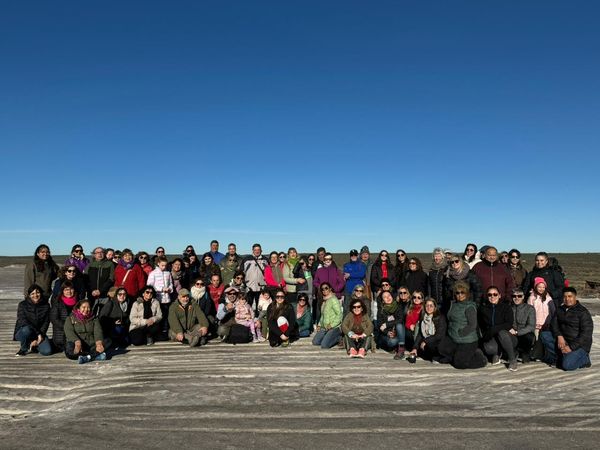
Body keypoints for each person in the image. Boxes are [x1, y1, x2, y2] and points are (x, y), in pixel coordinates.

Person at [437, 281, 487, 369]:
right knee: (441, 347)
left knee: (459, 364)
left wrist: (461, 333)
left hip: (467, 340)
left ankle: (480, 358)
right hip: (453, 338)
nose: (460, 295)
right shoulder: (453, 304)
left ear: (467, 293)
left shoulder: (469, 307)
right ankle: (456, 356)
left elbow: (472, 325)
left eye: (462, 292)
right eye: (457, 293)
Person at [541, 287, 593, 371]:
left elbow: (586, 334)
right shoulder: (560, 309)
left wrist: (571, 347)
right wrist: (559, 336)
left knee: (567, 366)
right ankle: (558, 357)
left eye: (570, 296)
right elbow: (553, 324)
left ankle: (585, 359)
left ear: (575, 297)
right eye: (565, 296)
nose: (567, 299)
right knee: (545, 335)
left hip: (579, 345)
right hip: (564, 340)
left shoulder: (583, 312)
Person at [479, 286, 517, 371]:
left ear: (499, 295)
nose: (492, 296)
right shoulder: (483, 309)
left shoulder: (506, 307)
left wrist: (493, 329)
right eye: (490, 294)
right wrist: (485, 336)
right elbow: (481, 326)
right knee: (488, 348)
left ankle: (512, 360)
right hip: (493, 338)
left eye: (495, 294)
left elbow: (508, 324)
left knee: (502, 333)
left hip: (508, 337)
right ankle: (497, 353)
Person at [63, 299, 108, 364]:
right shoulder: (70, 318)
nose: (86, 309)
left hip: (91, 344)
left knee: (108, 341)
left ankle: (87, 357)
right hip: (78, 344)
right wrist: (77, 342)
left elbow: (98, 331)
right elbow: (69, 331)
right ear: (78, 309)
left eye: (88, 307)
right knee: (69, 352)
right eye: (83, 307)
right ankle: (96, 356)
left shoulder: (94, 319)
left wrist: (98, 343)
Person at [14, 284, 52, 356]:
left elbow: (46, 323)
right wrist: (38, 334)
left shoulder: (46, 305)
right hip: (22, 332)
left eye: (38, 292)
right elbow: (23, 321)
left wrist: (39, 337)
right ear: (29, 295)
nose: (35, 295)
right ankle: (24, 348)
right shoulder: (22, 305)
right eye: (32, 293)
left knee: (47, 351)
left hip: (39, 333)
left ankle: (34, 345)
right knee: (27, 329)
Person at [409, 298, 447, 362]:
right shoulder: (423, 318)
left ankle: (438, 356)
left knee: (428, 346)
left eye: (431, 306)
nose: (429, 308)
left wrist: (426, 341)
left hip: (438, 342)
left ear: (435, 307)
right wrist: (415, 348)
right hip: (427, 341)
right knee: (419, 350)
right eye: (427, 306)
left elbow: (440, 335)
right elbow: (420, 334)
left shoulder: (440, 318)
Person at [527, 277, 556, 361]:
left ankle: (546, 354)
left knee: (545, 339)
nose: (541, 289)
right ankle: (537, 355)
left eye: (543, 287)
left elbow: (553, 310)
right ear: (535, 287)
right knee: (537, 339)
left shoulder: (548, 297)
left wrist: (552, 320)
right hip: (536, 323)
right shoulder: (532, 298)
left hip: (546, 323)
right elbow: (529, 311)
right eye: (539, 287)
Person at [509, 288, 536, 364]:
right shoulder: (509, 308)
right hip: (512, 332)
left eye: (519, 296)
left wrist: (518, 332)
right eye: (514, 296)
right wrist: (510, 329)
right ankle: (514, 352)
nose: (517, 298)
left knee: (530, 336)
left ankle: (525, 353)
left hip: (523, 333)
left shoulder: (529, 308)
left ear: (523, 297)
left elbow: (531, 326)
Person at [312, 282, 343, 349]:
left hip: (333, 326)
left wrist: (332, 325)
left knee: (324, 345)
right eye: (322, 289)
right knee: (315, 342)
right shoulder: (324, 301)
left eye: (326, 288)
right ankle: (328, 336)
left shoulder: (334, 300)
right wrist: (319, 324)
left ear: (330, 289)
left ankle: (338, 338)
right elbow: (323, 315)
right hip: (325, 327)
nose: (324, 290)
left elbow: (339, 314)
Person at [49, 281, 78, 352]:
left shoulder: (78, 302)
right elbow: (54, 319)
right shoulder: (57, 302)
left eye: (71, 289)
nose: (69, 291)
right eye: (66, 290)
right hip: (61, 334)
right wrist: (68, 326)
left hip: (76, 332)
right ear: (62, 291)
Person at [85, 247, 115, 313]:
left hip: (104, 294)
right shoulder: (90, 265)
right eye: (97, 253)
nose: (100, 254)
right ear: (94, 255)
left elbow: (111, 279)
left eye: (101, 252)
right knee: (91, 312)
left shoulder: (110, 264)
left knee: (103, 313)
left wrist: (101, 290)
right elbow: (86, 279)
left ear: (104, 254)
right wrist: (92, 290)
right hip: (92, 295)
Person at [377, 291, 405, 359]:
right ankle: (399, 344)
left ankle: (401, 349)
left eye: (389, 295)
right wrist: (387, 333)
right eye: (385, 297)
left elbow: (400, 319)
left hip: (398, 332)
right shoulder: (381, 310)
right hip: (388, 335)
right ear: (383, 301)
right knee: (392, 342)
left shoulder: (398, 306)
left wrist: (387, 324)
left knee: (399, 325)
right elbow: (380, 325)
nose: (388, 298)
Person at [242, 244, 268, 312]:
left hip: (261, 287)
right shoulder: (246, 259)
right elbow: (241, 272)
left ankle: (259, 319)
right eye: (255, 250)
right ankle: (249, 319)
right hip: (249, 286)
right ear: (252, 251)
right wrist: (244, 284)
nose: (257, 251)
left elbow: (269, 273)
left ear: (261, 250)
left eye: (258, 250)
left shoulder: (265, 260)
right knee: (249, 305)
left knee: (260, 305)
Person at [404, 291, 425, 360]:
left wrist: (416, 325)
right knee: (407, 332)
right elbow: (407, 322)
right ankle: (414, 349)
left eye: (419, 298)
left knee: (418, 326)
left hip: (420, 331)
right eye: (414, 297)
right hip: (411, 331)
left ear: (422, 299)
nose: (416, 299)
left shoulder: (423, 309)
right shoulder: (410, 309)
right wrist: (410, 325)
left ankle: (416, 349)